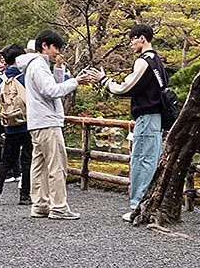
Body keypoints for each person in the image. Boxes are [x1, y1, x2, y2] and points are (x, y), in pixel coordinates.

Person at [25, 30, 101, 220]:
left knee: (39, 165)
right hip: (47, 122)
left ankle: (40, 204)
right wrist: (75, 81)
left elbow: (50, 87)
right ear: (44, 45)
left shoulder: (37, 65)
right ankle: (58, 206)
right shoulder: (38, 66)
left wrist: (59, 69)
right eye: (55, 48)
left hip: (38, 121)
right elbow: (51, 91)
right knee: (57, 165)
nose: (57, 52)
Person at [104, 23, 169, 221]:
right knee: (152, 159)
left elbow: (126, 87)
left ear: (142, 38)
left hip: (147, 117)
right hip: (157, 118)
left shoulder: (144, 61)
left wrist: (104, 81)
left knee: (142, 159)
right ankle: (150, 203)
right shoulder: (157, 61)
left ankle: (138, 206)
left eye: (133, 39)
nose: (131, 43)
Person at [0, 45, 32, 206]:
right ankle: (25, 195)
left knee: (6, 160)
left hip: (10, 125)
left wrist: (1, 129)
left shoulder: (1, 80)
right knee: (27, 159)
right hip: (27, 124)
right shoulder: (26, 78)